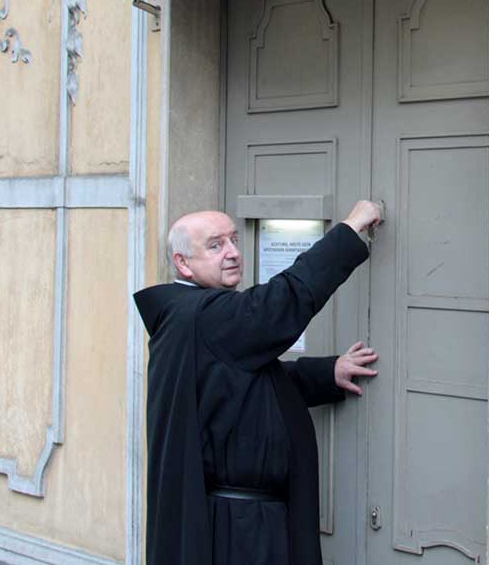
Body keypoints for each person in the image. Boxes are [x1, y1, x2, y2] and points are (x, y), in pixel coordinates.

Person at [133, 201, 383, 565]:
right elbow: (282, 301)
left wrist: (327, 373)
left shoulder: (187, 314)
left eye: (234, 240)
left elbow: (245, 383)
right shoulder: (205, 314)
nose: (233, 253)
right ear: (182, 263)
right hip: (241, 532)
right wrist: (350, 227)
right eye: (216, 245)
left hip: (241, 522)